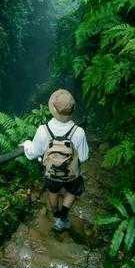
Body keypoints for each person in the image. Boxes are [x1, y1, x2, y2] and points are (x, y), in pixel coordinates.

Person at [22, 89, 89, 231]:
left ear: (53, 109)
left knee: (52, 192)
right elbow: (83, 157)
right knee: (72, 191)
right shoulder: (79, 132)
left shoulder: (43, 130)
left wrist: (27, 144)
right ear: (73, 110)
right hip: (71, 175)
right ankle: (63, 217)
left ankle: (57, 217)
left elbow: (32, 154)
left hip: (51, 174)